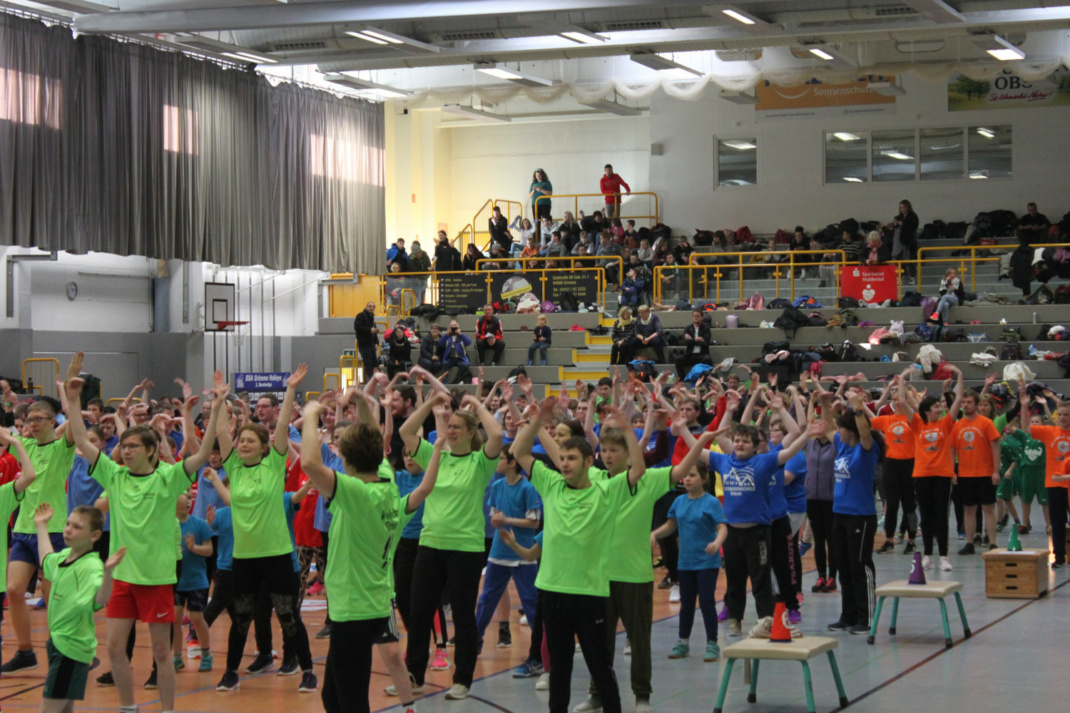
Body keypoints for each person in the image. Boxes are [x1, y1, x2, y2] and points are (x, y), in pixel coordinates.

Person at [63, 353, 227, 713]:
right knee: (113, 648)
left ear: (151, 451)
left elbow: (199, 458)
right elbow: (80, 436)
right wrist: (72, 398)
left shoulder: (168, 478)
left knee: (161, 653)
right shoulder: (114, 475)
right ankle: (128, 707)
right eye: (124, 446)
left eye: (133, 446)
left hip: (156, 578)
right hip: (122, 576)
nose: (125, 450)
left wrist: (215, 411)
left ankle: (167, 709)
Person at [300, 391, 442, 713]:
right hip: (369, 604)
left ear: (346, 461)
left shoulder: (355, 493)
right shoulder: (388, 485)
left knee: (351, 702)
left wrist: (310, 415)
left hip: (355, 610)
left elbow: (309, 462)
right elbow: (375, 444)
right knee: (332, 698)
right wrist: (363, 403)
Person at [510, 401, 643, 713]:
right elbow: (519, 453)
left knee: (600, 667)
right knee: (559, 670)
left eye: (572, 458)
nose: (565, 463)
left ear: (588, 461)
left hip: (589, 593)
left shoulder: (606, 491)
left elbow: (637, 470)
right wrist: (537, 420)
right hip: (553, 592)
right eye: (562, 457)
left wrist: (627, 430)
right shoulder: (551, 484)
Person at [399, 370, 503, 701]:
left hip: (465, 549)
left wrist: (475, 404)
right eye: (450, 425)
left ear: (471, 432)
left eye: (459, 427)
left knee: (462, 615)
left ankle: (463, 679)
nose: (452, 430)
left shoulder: (479, 462)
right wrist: (430, 401)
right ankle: (414, 676)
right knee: (418, 613)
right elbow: (405, 430)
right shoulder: (435, 455)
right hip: (430, 545)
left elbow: (497, 435)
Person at [214, 364, 316, 693]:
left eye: (249, 441)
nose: (242, 445)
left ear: (262, 445)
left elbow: (283, 425)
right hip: (245, 557)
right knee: (241, 618)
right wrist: (218, 401)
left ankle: (308, 671)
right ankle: (230, 671)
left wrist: (289, 390)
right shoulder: (234, 468)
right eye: (240, 440)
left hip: (276, 556)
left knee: (288, 616)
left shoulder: (274, 464)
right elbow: (219, 434)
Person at [2, 394, 75, 674]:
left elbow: (72, 425)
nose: (31, 424)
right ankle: (25, 652)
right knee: (14, 589)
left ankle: (65, 652)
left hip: (53, 530)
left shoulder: (61, 449)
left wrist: (70, 395)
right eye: (28, 420)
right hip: (23, 528)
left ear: (51, 420)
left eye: (37, 419)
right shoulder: (26, 446)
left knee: (52, 593)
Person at [34, 502, 123, 713]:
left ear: (94, 536)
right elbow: (46, 559)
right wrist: (41, 526)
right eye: (67, 524)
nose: (68, 530)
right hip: (58, 644)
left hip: (71, 650)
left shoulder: (91, 567)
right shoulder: (64, 557)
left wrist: (108, 573)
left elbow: (101, 600)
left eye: (77, 527)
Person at [651, 461, 726, 662]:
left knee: (707, 602)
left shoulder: (711, 502)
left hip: (707, 563)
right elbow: (670, 525)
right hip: (685, 563)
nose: (687, 479)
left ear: (703, 479)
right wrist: (654, 534)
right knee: (687, 604)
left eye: (692, 475)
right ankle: (683, 642)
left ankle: (712, 643)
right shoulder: (678, 502)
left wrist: (717, 543)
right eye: (685, 476)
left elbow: (722, 527)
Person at [822, 392, 880, 635]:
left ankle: (866, 618)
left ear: (851, 430)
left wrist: (858, 409)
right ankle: (848, 616)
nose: (837, 431)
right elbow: (826, 429)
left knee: (859, 565)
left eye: (841, 428)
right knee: (843, 566)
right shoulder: (842, 447)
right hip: (840, 514)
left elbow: (865, 433)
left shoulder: (866, 450)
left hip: (861, 516)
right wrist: (824, 404)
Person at [473, 447, 541, 653]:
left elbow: (534, 522)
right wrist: (496, 520)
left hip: (522, 553)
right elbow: (495, 514)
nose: (497, 463)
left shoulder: (527, 488)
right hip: (499, 552)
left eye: (501, 459)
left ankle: (539, 651)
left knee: (531, 602)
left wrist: (507, 520)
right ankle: (474, 643)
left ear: (512, 463)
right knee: (486, 599)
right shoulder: (497, 486)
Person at [907, 364, 963, 572]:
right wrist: (903, 378)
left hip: (942, 475)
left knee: (942, 515)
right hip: (922, 475)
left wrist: (959, 375)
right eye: (936, 407)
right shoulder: (917, 425)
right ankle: (928, 555)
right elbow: (903, 403)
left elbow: (957, 401)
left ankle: (944, 556)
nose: (940, 409)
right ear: (926, 411)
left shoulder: (945, 424)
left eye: (940, 406)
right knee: (927, 516)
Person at [1021, 392, 1070, 568]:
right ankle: (1059, 556)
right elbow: (1027, 428)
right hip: (1054, 484)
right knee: (1057, 522)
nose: (1063, 418)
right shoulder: (1050, 432)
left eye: (1066, 415)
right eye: (1061, 414)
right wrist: (1025, 406)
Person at [870, 379, 917, 554]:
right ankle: (889, 539)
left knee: (909, 505)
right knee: (891, 504)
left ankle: (911, 539)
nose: (897, 403)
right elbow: (868, 422)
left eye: (900, 399)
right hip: (891, 465)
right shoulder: (887, 419)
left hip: (909, 464)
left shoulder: (913, 419)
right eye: (894, 400)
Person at [951, 389, 1001, 555]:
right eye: (963, 402)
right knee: (969, 509)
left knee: (988, 508)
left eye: (969, 402)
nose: (965, 405)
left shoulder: (986, 423)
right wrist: (953, 471)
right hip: (965, 474)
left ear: (976, 404)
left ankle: (992, 542)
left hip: (984, 473)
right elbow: (952, 450)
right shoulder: (957, 425)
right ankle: (970, 543)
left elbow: (995, 447)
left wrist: (995, 471)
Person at [173, 492, 214, 672]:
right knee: (174, 618)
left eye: (190, 498)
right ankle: (176, 657)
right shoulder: (166, 525)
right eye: (185, 497)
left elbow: (209, 550)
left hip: (197, 580)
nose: (189, 501)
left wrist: (193, 548)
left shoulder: (199, 524)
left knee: (197, 618)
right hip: (175, 580)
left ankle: (206, 654)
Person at [675, 310, 713, 380]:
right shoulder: (688, 328)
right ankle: (683, 379)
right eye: (694, 316)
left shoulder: (706, 329)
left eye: (698, 316)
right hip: (690, 354)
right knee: (678, 360)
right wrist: (697, 339)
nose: (696, 318)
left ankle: (704, 380)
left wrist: (691, 340)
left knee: (708, 359)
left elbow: (706, 343)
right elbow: (684, 342)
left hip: (702, 355)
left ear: (702, 317)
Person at [890, 199, 919, 285]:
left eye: (903, 207)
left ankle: (912, 277)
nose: (902, 209)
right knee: (898, 260)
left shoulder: (913, 216)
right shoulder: (898, 217)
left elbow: (912, 226)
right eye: (900, 207)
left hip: (909, 242)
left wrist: (902, 224)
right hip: (898, 242)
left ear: (908, 207)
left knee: (910, 260)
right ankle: (900, 277)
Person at [353, 302, 380, 384]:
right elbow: (357, 327)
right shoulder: (361, 315)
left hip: (370, 344)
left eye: (373, 307)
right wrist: (369, 330)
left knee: (374, 363)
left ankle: (376, 379)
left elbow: (374, 332)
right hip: (364, 344)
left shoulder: (371, 317)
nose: (371, 308)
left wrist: (376, 342)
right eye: (370, 306)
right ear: (366, 307)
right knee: (368, 363)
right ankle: (373, 381)